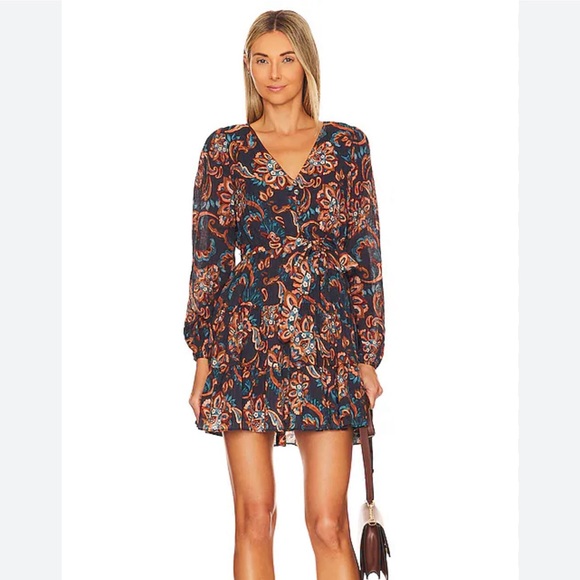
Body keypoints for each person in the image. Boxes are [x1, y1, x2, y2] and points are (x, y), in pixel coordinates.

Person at [184, 9, 385, 579]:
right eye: (262, 59)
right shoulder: (223, 149)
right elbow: (209, 258)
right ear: (247, 66)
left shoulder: (348, 146)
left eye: (287, 59)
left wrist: (368, 355)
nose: (274, 73)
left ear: (306, 64)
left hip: (328, 341)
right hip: (246, 341)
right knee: (254, 518)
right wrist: (202, 357)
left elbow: (365, 256)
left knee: (329, 523)